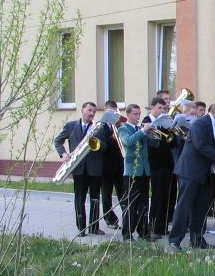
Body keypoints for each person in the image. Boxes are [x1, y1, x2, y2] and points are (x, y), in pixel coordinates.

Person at [168, 101, 215, 250]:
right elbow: (201, 145)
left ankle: (197, 239)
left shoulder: (214, 125)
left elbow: (214, 145)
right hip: (190, 171)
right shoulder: (200, 123)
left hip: (204, 173)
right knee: (184, 206)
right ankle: (175, 240)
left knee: (200, 208)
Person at [54, 101, 110, 236]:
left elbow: (105, 147)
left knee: (95, 199)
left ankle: (94, 227)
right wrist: (64, 154)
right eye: (89, 110)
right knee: (79, 199)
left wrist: (97, 144)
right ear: (82, 110)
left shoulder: (98, 128)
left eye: (94, 112)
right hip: (78, 168)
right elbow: (58, 141)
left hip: (95, 169)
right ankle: (81, 229)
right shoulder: (71, 126)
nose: (92, 113)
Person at [119, 103, 161, 241]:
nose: (138, 116)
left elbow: (155, 144)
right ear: (128, 115)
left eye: (139, 114)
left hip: (144, 171)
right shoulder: (123, 128)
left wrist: (155, 132)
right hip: (132, 171)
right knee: (131, 204)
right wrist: (143, 131)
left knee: (144, 204)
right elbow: (129, 142)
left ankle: (143, 232)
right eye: (135, 114)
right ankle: (127, 235)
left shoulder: (140, 129)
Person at [144, 97, 176, 237]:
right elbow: (153, 144)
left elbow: (173, 144)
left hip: (167, 163)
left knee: (166, 196)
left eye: (164, 108)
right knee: (157, 195)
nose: (162, 111)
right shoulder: (146, 121)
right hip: (155, 164)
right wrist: (156, 131)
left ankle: (162, 226)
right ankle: (153, 226)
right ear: (152, 107)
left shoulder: (165, 123)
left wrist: (171, 130)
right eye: (159, 108)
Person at [100, 100, 124, 230]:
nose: (113, 114)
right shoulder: (100, 126)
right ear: (105, 111)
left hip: (119, 164)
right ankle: (109, 218)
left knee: (122, 191)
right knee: (106, 194)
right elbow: (101, 144)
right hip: (106, 165)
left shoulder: (119, 125)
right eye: (110, 112)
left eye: (115, 112)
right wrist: (112, 138)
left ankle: (127, 216)